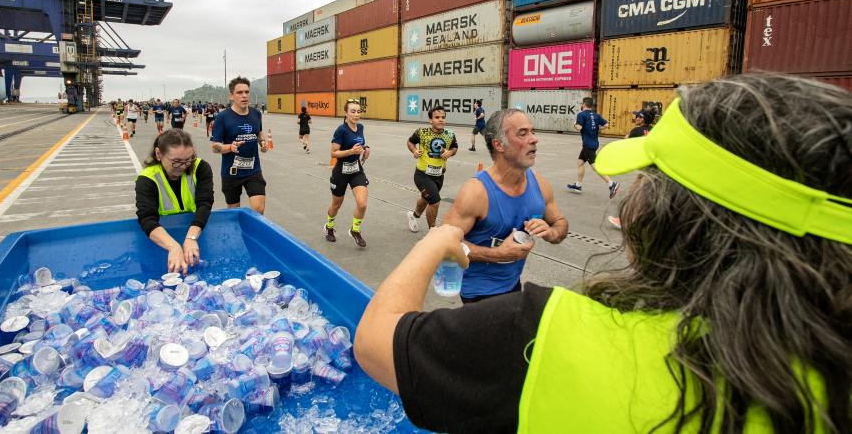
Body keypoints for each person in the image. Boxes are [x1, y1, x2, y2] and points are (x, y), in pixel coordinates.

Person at [353, 74, 852, 434]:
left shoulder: (545, 332)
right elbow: (462, 237)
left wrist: (451, 241)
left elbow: (375, 343)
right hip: (482, 294)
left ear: (682, 218)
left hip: (507, 307)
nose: (633, 201)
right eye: (523, 133)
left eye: (648, 181)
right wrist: (486, 252)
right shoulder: (828, 380)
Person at [440, 109, 567, 303]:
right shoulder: (476, 192)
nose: (534, 139)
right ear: (498, 144)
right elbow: (445, 244)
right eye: (522, 134)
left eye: (532, 132)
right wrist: (497, 255)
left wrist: (551, 233)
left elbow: (560, 222)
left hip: (513, 284)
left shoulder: (539, 184)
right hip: (479, 293)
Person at [135, 129, 215, 275]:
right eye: (176, 161)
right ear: (159, 154)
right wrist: (173, 247)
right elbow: (147, 219)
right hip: (161, 241)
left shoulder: (200, 168)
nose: (183, 166)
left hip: (194, 234)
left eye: (189, 159)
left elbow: (205, 204)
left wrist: (191, 238)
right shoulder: (147, 179)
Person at [210, 77, 268, 214]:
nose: (244, 95)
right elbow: (215, 147)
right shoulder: (222, 117)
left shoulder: (256, 114)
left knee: (259, 209)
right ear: (231, 96)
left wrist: (262, 142)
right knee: (234, 211)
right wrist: (230, 147)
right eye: (239, 92)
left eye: (247, 92)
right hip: (231, 172)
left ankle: (253, 227)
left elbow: (259, 133)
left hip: (253, 170)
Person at [325, 99, 370, 247]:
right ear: (346, 113)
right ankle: (329, 226)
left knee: (362, 204)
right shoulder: (341, 130)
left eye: (358, 111)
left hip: (356, 169)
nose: (356, 114)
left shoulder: (361, 127)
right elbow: (333, 153)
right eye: (353, 111)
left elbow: (360, 143)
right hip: (341, 172)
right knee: (336, 205)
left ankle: (355, 230)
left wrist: (366, 148)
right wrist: (351, 151)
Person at [406, 105, 457, 233]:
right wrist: (414, 151)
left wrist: (450, 153)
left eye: (443, 117)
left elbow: (454, 147)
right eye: (437, 117)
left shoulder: (450, 134)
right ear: (430, 120)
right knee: (435, 202)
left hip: (439, 175)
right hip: (422, 175)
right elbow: (410, 142)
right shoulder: (422, 132)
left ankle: (413, 216)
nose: (441, 120)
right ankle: (432, 231)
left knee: (426, 198)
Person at [608, 108, 655, 229]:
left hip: (644, 168)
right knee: (646, 195)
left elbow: (626, 146)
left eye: (638, 116)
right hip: (654, 167)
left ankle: (625, 221)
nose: (635, 118)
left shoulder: (636, 131)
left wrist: (627, 138)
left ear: (642, 119)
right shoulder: (654, 130)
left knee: (635, 194)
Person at [566, 97, 620, 198]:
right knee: (580, 163)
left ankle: (611, 183)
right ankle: (578, 185)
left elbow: (579, 127)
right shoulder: (596, 115)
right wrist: (596, 128)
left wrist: (575, 124)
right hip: (594, 143)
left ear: (584, 104)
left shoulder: (581, 114)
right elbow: (606, 125)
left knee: (595, 166)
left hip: (588, 145)